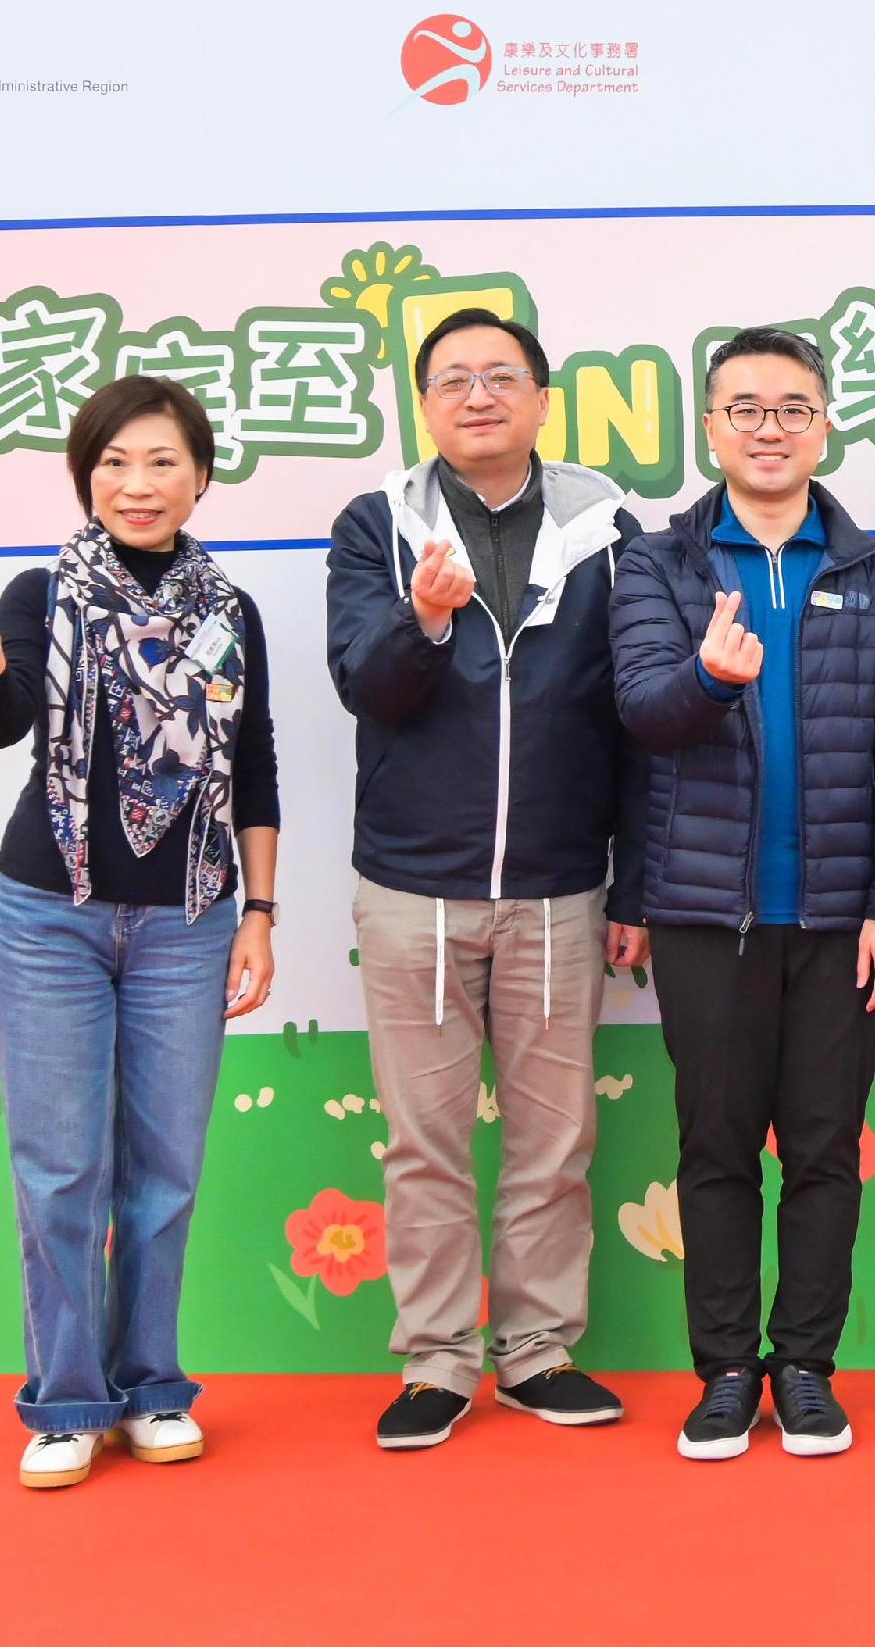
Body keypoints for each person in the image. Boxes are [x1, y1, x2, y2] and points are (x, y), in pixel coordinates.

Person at [0, 375, 278, 1492]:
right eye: (116, 462)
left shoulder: (230, 611)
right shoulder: (43, 591)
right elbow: (0, 722)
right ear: (87, 475)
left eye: (162, 461)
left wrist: (259, 916)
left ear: (200, 475)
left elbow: (256, 767)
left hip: (190, 915)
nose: (138, 484)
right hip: (50, 913)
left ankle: (154, 1386)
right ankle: (69, 1402)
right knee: (60, 1168)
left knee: (165, 1171)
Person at [612, 325, 875, 1462]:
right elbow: (643, 714)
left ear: (824, 425)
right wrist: (710, 675)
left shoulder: (873, 572)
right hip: (707, 918)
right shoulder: (658, 566)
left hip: (845, 924)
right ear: (710, 427)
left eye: (791, 407)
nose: (768, 426)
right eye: (744, 407)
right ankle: (721, 1377)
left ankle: (803, 1369)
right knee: (712, 1152)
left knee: (823, 1150)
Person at [325, 310, 650, 1450]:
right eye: (452, 379)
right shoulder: (375, 524)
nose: (477, 396)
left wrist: (637, 889)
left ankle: (536, 1351)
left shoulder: (609, 530)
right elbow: (366, 686)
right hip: (413, 891)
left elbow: (636, 716)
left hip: (565, 890)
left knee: (554, 1143)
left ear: (541, 398)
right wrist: (421, 620)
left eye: (500, 377)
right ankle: (435, 1362)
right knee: (424, 1138)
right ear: (423, 405)